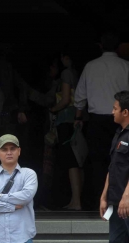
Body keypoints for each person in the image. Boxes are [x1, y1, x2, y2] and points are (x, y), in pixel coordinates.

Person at [74, 32, 129, 208]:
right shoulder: (125, 66)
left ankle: (100, 202)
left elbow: (80, 97)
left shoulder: (90, 66)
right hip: (123, 120)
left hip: (96, 121)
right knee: (122, 161)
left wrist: (78, 117)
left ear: (100, 46)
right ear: (118, 47)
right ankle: (121, 201)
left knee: (98, 162)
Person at [92, 91, 129, 243]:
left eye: (115, 108)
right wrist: (104, 197)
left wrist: (127, 197)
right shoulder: (119, 133)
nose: (112, 111)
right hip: (116, 201)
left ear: (125, 111)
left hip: (127, 201)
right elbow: (112, 167)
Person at [49, 51, 83, 210]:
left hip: (67, 118)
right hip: (78, 119)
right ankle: (77, 199)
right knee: (78, 158)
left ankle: (75, 201)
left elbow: (65, 100)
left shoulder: (66, 73)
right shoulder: (78, 72)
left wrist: (52, 109)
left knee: (71, 161)